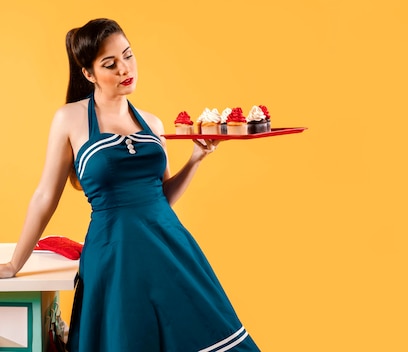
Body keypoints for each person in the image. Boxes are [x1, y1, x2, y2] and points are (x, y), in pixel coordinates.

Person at [0, 18, 260, 352]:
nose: (125, 69)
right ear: (88, 74)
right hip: (115, 254)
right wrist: (14, 264)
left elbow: (161, 197)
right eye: (110, 64)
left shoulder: (151, 122)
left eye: (128, 56)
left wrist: (195, 159)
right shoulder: (70, 118)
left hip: (170, 247)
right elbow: (44, 196)